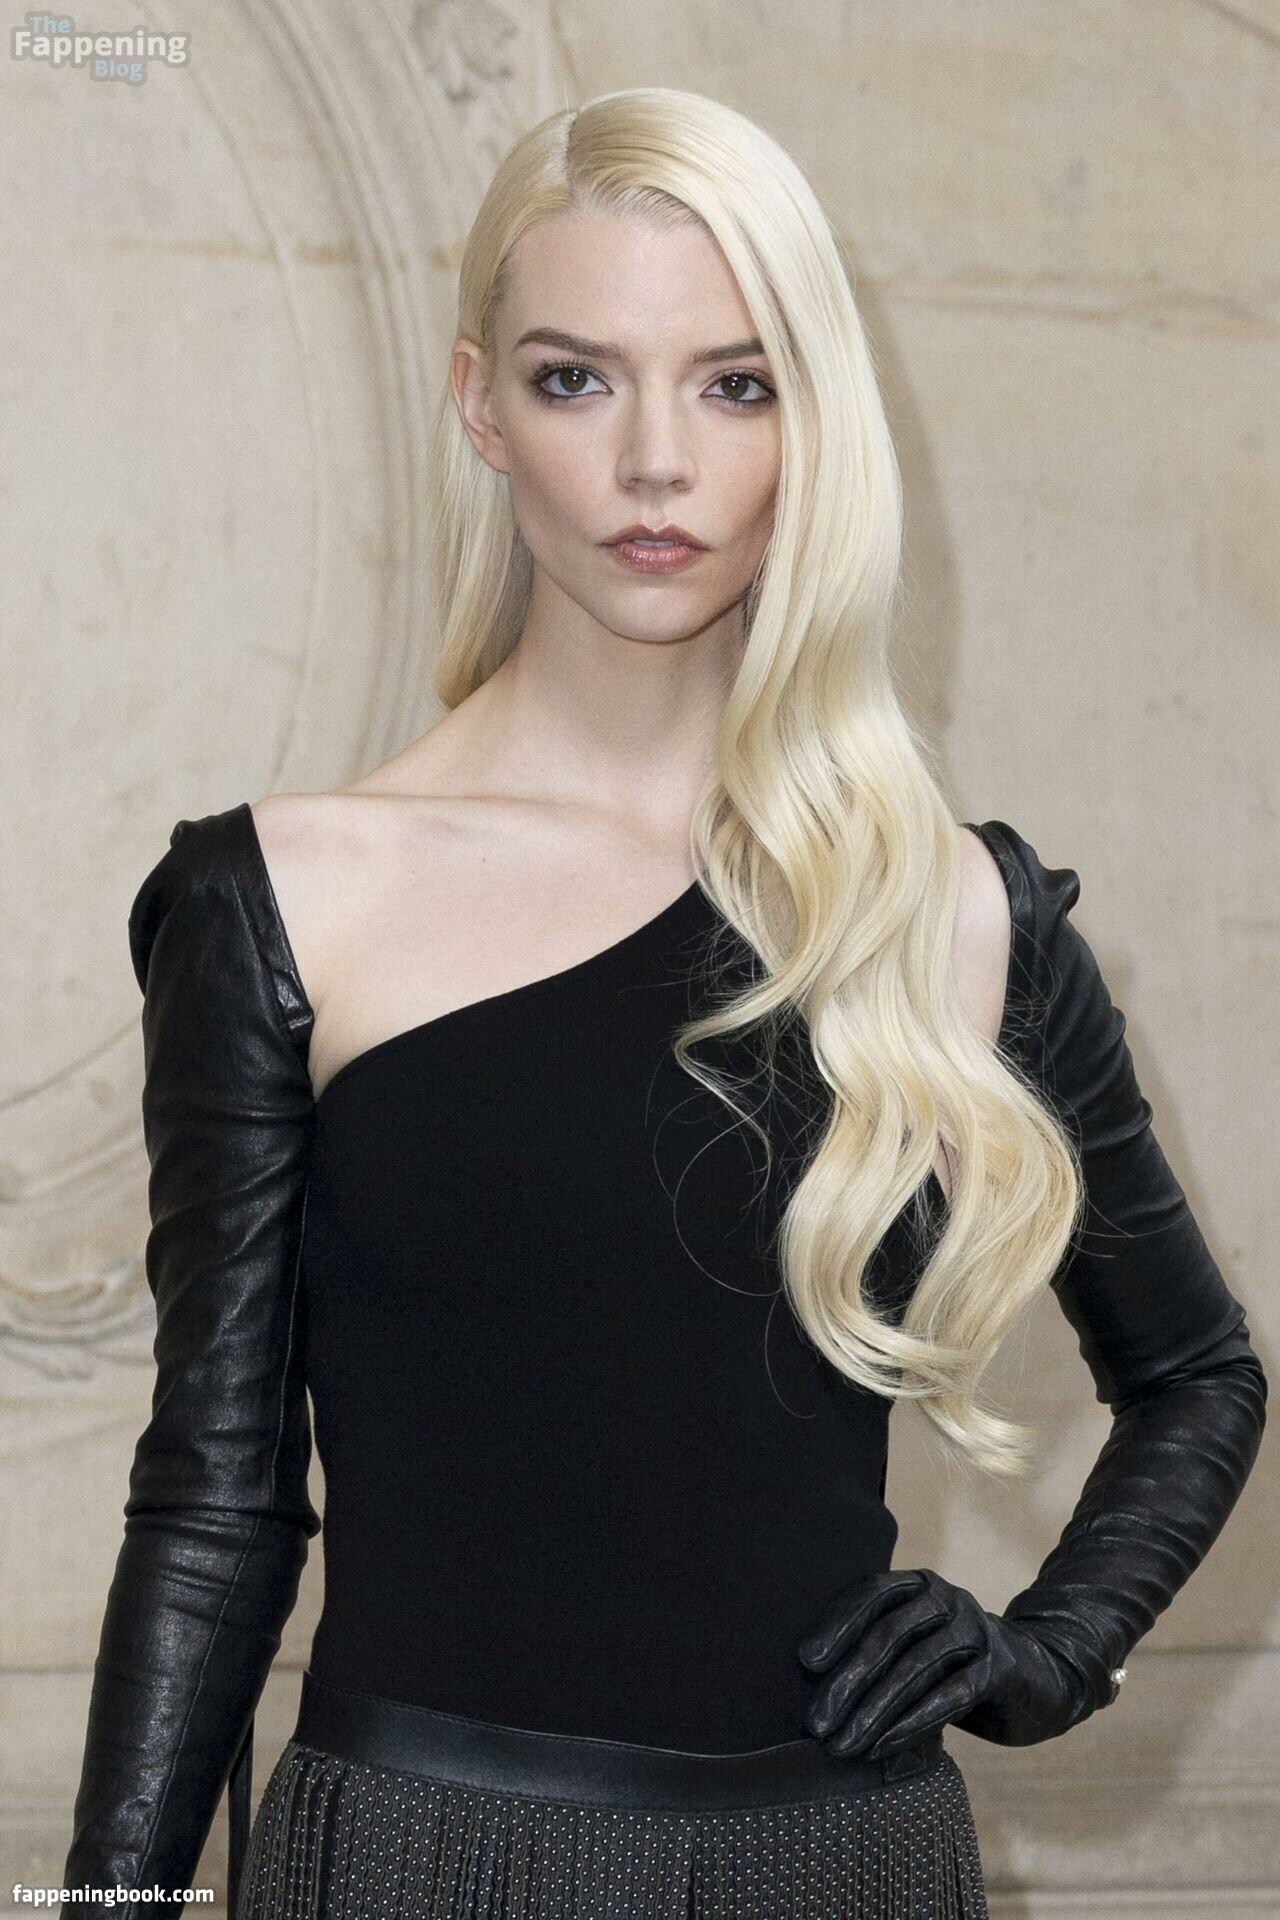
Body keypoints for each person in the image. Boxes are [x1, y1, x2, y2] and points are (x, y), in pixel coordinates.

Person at [61, 86, 1266, 1920]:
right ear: (480, 404)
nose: (654, 463)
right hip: (425, 1862)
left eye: (734, 384)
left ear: (813, 421)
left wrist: (1048, 1651)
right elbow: (216, 1513)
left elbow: (1197, 1376)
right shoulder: (286, 901)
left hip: (852, 1861)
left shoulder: (953, 910)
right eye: (577, 380)